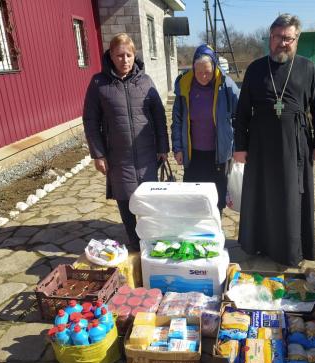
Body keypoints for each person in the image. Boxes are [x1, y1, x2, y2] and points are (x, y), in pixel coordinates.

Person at [233, 14, 315, 266]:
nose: (282, 43)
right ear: (270, 38)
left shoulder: (307, 68)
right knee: (261, 195)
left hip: (295, 145)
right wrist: (240, 147)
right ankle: (258, 244)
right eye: (277, 37)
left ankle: (290, 250)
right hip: (261, 145)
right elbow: (242, 111)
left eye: (288, 38)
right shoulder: (255, 69)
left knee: (291, 197)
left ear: (296, 39)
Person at [83, 33, 169, 250]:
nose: (125, 60)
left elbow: (159, 116)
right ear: (111, 55)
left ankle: (152, 240)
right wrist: (98, 154)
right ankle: (134, 241)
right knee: (125, 199)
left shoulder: (145, 82)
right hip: (117, 155)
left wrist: (163, 147)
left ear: (134, 55)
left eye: (128, 55)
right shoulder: (99, 83)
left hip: (147, 154)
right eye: (119, 55)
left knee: (149, 198)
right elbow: (91, 120)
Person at [171, 44, 240, 213]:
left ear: (215, 67)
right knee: (193, 197)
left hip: (219, 154)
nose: (203, 76)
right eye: (199, 71)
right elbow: (177, 121)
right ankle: (195, 232)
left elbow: (240, 117)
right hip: (193, 154)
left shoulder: (227, 85)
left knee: (217, 198)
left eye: (207, 72)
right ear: (193, 69)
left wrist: (238, 147)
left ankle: (215, 231)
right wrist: (178, 148)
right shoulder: (185, 86)